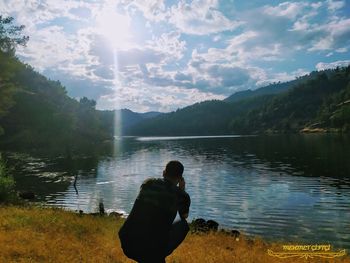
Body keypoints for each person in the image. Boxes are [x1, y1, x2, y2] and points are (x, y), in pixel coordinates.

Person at [119, 160, 191, 263]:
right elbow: (184, 215)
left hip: (127, 240)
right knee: (183, 225)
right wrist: (182, 190)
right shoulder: (182, 196)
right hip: (152, 249)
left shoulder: (148, 183)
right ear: (180, 178)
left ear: (163, 173)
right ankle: (156, 255)